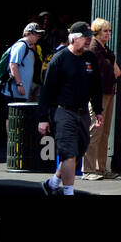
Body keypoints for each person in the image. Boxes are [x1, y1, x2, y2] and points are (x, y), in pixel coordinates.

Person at [37, 22, 104, 196]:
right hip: (64, 111)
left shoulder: (90, 58)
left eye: (90, 36)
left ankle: (52, 184)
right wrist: (43, 118)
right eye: (84, 36)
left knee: (77, 152)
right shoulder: (60, 59)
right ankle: (68, 192)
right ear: (73, 39)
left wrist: (98, 111)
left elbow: (96, 86)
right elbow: (47, 90)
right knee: (68, 153)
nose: (88, 39)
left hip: (83, 113)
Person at [82, 18, 120, 179]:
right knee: (95, 130)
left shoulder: (105, 49)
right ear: (97, 32)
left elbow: (116, 71)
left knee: (104, 132)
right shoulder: (93, 49)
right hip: (98, 94)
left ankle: (101, 167)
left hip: (109, 91)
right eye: (105, 31)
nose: (109, 34)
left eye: (109, 31)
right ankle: (88, 169)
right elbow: (94, 74)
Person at [3, 22, 43, 102]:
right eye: (36, 34)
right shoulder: (21, 45)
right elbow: (13, 64)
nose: (38, 36)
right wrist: (19, 84)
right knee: (14, 114)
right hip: (15, 92)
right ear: (28, 34)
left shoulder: (29, 47)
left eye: (39, 34)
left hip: (22, 93)